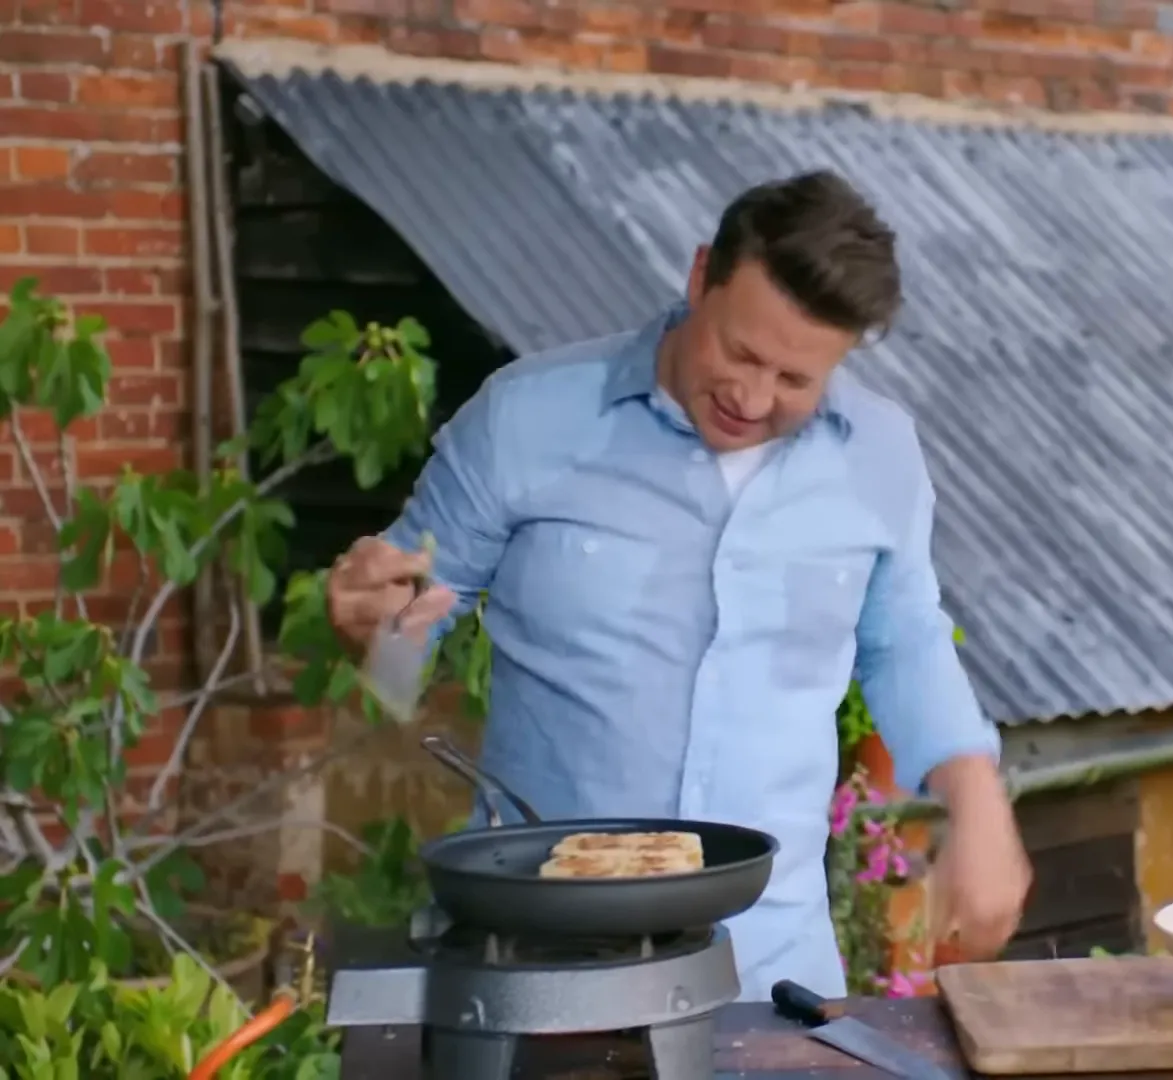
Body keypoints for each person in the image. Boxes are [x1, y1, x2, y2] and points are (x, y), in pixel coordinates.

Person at [324, 170, 1032, 999]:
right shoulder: (524, 419)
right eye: (740, 351)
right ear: (701, 276)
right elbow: (401, 653)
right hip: (546, 963)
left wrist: (978, 802)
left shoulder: (880, 456)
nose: (752, 396)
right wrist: (373, 634)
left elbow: (907, 644)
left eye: (796, 382)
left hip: (775, 970)